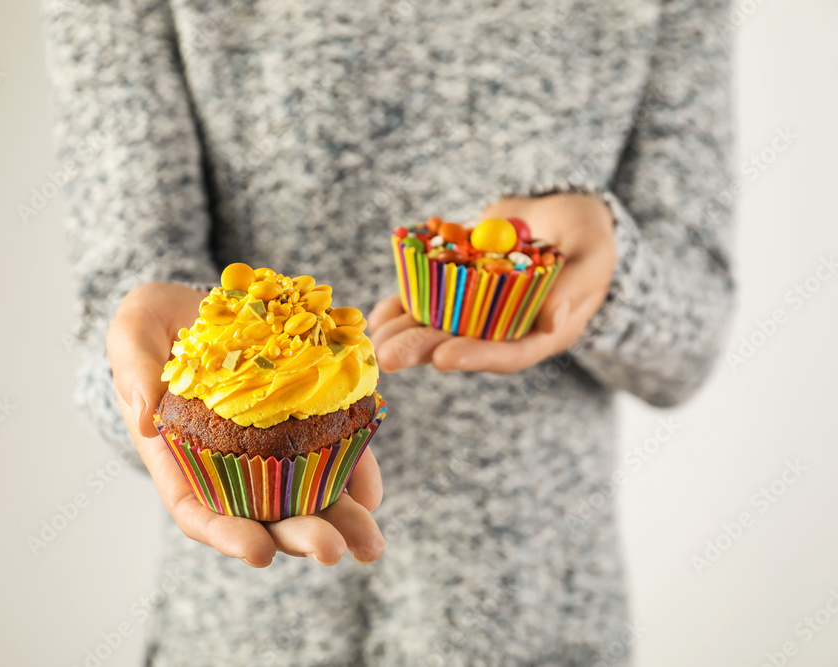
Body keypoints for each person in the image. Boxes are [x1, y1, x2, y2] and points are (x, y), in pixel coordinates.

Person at [44, 0, 734, 664]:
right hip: (240, 633)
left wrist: (608, 271)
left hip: (538, 624)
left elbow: (689, 345)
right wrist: (145, 385)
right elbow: (118, 321)